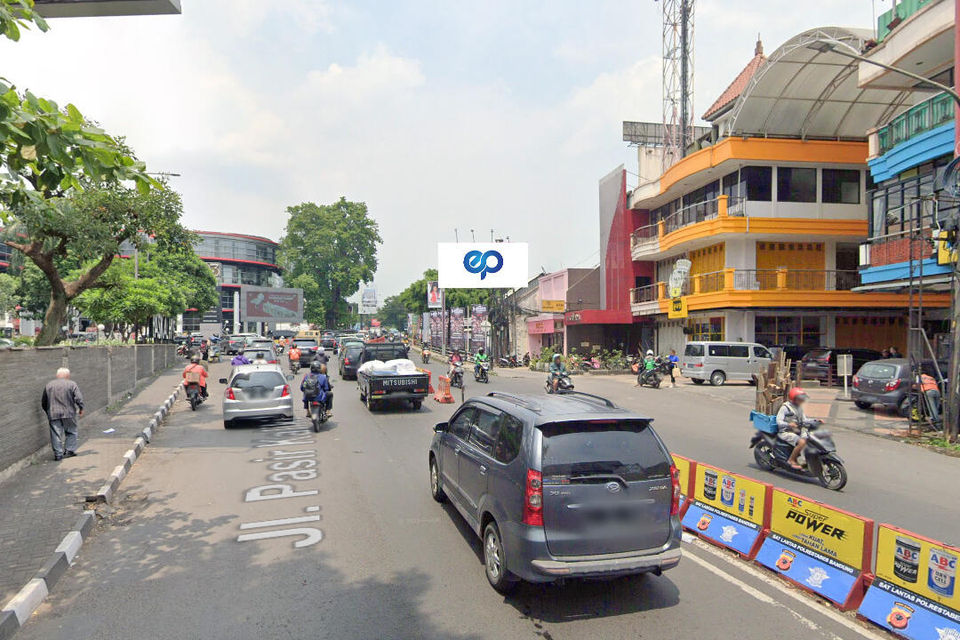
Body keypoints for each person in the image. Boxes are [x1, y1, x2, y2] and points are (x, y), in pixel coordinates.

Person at [41, 368, 85, 461]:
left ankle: (58, 454)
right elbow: (79, 398)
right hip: (69, 413)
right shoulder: (72, 384)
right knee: (71, 431)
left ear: (57, 375)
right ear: (68, 376)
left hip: (53, 413)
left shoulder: (49, 385)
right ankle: (69, 450)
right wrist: (81, 408)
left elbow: (44, 401)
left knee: (56, 434)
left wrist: (48, 411)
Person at [776, 387, 810, 471]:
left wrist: (815, 421)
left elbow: (804, 419)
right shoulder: (785, 407)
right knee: (802, 442)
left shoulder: (799, 407)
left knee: (811, 438)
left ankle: (805, 460)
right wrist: (788, 424)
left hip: (797, 431)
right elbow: (778, 421)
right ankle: (791, 460)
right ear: (794, 399)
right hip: (785, 432)